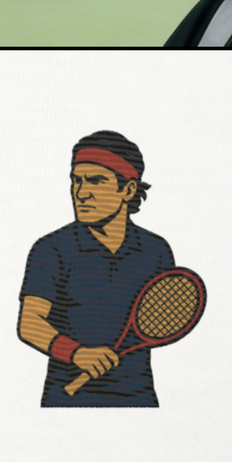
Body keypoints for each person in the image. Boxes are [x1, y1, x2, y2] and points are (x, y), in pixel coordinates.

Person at [17, 131, 175, 407]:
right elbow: (30, 324)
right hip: (64, 402)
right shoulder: (51, 249)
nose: (81, 193)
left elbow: (165, 323)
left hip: (139, 400)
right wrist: (76, 353)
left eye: (96, 181)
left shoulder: (156, 251)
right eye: (76, 181)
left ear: (128, 190)